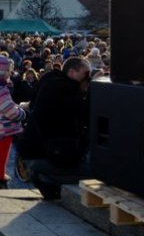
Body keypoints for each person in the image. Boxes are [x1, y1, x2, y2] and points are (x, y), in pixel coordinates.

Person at [15, 57, 91, 199]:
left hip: (33, 152)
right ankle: (47, 179)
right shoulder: (64, 88)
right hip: (45, 154)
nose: (88, 78)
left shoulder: (49, 82)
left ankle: (48, 182)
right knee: (94, 173)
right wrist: (88, 93)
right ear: (72, 72)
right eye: (85, 74)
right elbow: (83, 115)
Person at [0, 55, 27, 189]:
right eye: (7, 70)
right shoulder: (0, 90)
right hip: (4, 128)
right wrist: (23, 112)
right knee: (2, 154)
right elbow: (11, 112)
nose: (10, 73)